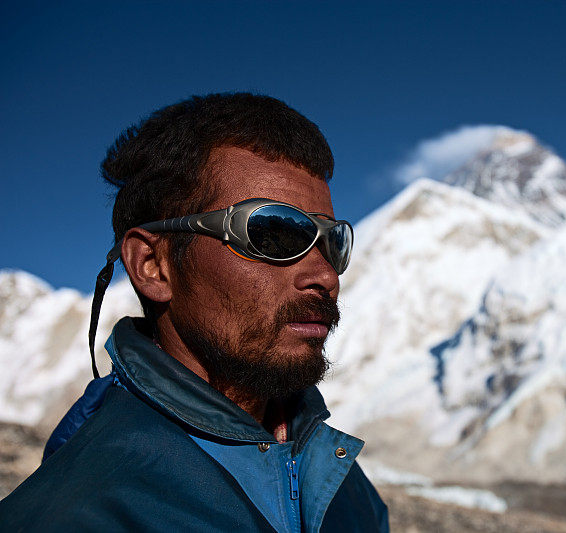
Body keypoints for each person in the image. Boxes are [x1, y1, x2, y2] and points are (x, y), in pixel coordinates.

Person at [0, 93, 388, 532]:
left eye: (332, 242)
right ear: (153, 266)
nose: (325, 275)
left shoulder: (346, 489)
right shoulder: (85, 514)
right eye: (273, 232)